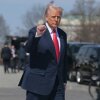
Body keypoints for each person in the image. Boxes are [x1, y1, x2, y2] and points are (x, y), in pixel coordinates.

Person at [18, 3, 68, 100]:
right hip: (37, 84)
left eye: (59, 17)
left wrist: (64, 80)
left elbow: (63, 59)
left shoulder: (63, 34)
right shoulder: (35, 31)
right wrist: (37, 35)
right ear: (46, 17)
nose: (56, 20)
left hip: (58, 86)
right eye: (53, 17)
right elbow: (29, 49)